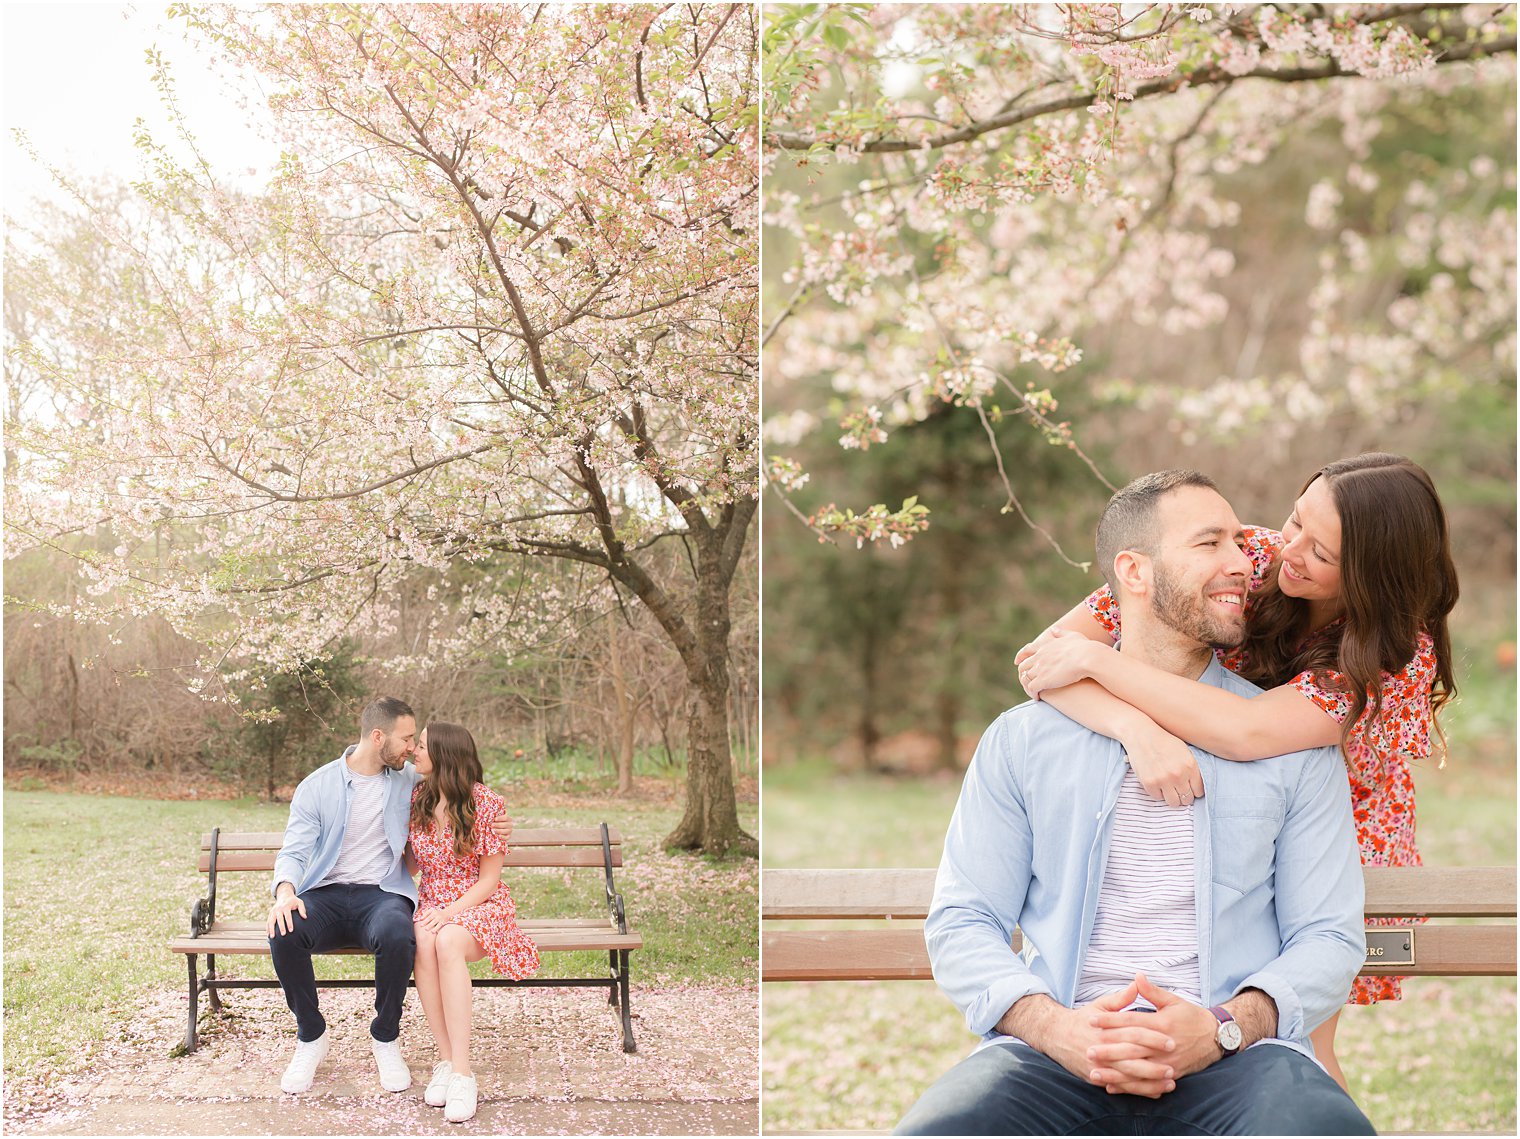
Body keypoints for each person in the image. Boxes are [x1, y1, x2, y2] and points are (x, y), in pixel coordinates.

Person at [895, 469, 1374, 1136]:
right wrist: (1056, 1027)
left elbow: (1328, 935)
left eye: (1241, 542)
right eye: (1211, 543)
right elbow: (963, 917)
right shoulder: (1024, 740)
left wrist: (1222, 1026)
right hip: (1054, 1055)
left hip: (1238, 1060)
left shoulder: (1288, 741)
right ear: (1135, 571)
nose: (1243, 563)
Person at [1014, 452, 1457, 1089]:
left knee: (1295, 1035)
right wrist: (1132, 728)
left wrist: (1101, 665)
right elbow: (1044, 662)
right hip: (1218, 809)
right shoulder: (1241, 559)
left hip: (1339, 830)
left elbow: (1247, 731)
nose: (1289, 550)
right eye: (1296, 519)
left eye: (1322, 553)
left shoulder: (1392, 654)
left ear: (1372, 576)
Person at [266, 696, 513, 1096]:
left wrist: (501, 822)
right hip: (326, 894)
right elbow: (293, 851)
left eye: (417, 742)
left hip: (381, 893)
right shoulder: (318, 786)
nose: (412, 749)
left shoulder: (411, 782)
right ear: (378, 737)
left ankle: (385, 1037)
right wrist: (284, 892)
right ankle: (310, 1036)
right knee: (284, 930)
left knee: (401, 934)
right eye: (407, 739)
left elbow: (464, 791)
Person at [408, 720, 540, 1123]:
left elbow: (489, 880)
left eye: (424, 746)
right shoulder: (419, 798)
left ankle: (464, 1074)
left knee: (446, 939)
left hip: (480, 903)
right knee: (421, 938)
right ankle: (446, 1062)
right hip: (433, 901)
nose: (415, 750)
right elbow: (412, 863)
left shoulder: (486, 804)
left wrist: (449, 913)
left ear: (444, 756)